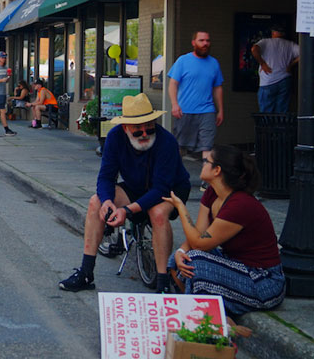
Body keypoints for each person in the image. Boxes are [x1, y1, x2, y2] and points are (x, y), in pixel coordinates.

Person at [58, 93, 191, 293]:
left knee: (158, 214)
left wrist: (127, 211)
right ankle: (86, 272)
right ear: (125, 128)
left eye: (149, 126)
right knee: (96, 202)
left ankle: (163, 282)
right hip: (135, 186)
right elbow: (105, 177)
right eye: (138, 130)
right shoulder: (114, 138)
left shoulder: (167, 142)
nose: (145, 133)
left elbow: (161, 189)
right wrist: (107, 202)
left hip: (169, 189)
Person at [163, 145, 285, 317]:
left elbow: (200, 243)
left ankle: (215, 322)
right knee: (180, 259)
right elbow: (198, 234)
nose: (203, 163)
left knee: (196, 261)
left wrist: (181, 208)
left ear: (217, 170)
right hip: (236, 266)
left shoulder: (240, 204)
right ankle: (215, 319)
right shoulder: (212, 193)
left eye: (206, 161)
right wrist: (181, 251)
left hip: (263, 279)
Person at [168, 31, 224, 162]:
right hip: (184, 111)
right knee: (180, 146)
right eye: (201, 40)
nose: (205, 43)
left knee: (207, 146)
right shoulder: (183, 61)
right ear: (194, 43)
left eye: (207, 41)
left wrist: (220, 110)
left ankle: (206, 180)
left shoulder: (214, 63)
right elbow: (173, 84)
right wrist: (174, 104)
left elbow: (217, 87)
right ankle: (175, 177)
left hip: (207, 111)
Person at [251, 25, 299, 113]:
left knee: (266, 114)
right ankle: (279, 126)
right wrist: (291, 65)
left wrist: (262, 63)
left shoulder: (265, 42)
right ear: (283, 34)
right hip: (285, 79)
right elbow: (305, 53)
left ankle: (267, 126)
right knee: (282, 112)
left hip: (268, 80)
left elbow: (254, 49)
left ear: (273, 32)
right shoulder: (290, 45)